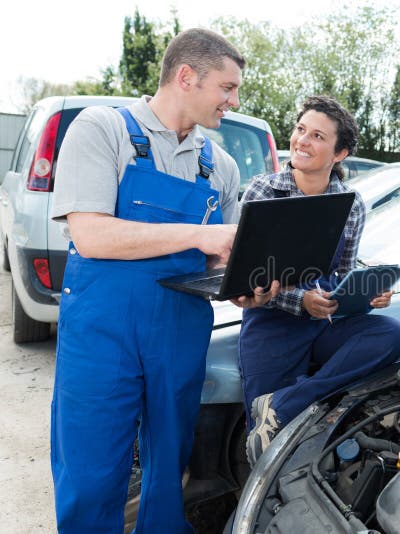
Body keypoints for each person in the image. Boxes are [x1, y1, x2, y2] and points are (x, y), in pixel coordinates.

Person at [50, 28, 278, 533]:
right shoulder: (102, 129)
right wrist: (197, 237)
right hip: (103, 328)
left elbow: (220, 260)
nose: (234, 100)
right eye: (227, 86)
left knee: (169, 469)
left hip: (179, 329)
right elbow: (90, 235)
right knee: (91, 469)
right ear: (186, 76)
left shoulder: (218, 165)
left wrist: (246, 284)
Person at [238, 95, 400, 465]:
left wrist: (367, 292)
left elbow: (344, 271)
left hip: (325, 324)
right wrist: (300, 301)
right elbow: (245, 278)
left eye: (317, 136)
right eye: (301, 130)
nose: (302, 141)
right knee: (266, 447)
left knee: (391, 333)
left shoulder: (352, 202)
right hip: (272, 327)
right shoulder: (263, 191)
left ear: (340, 153)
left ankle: (285, 403)